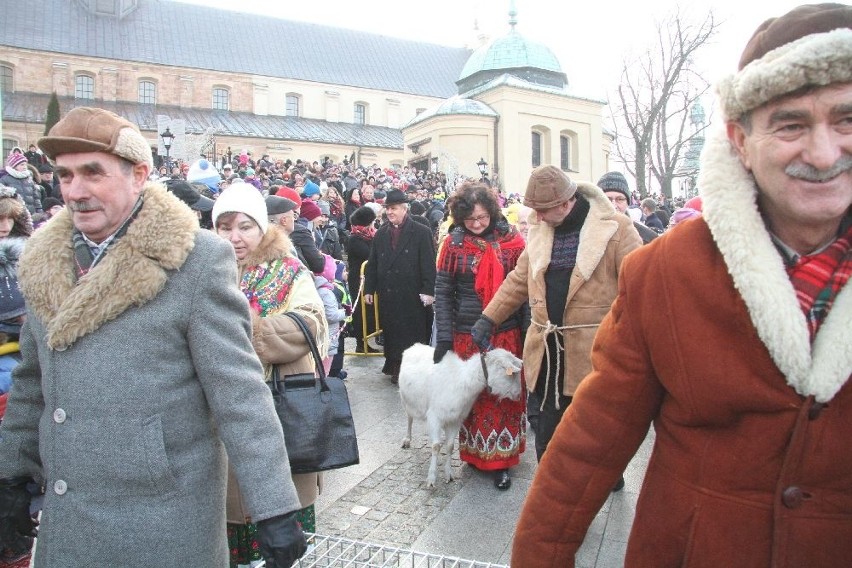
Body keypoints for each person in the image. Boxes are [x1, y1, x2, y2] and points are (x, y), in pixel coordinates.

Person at [511, 5, 852, 566]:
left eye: (846, 119)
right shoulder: (669, 273)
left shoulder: (622, 235)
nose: (822, 152)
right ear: (741, 140)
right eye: (791, 124)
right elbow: (593, 440)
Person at [0, 107, 307, 567]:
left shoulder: (196, 261)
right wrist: (10, 475)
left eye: (92, 173)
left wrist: (275, 507)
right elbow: (31, 384)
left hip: (163, 520)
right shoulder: (44, 261)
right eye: (64, 176)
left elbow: (238, 393)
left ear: (139, 174)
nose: (75, 191)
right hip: (71, 518)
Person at [470, 165, 641, 463]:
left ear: (564, 203)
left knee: (596, 430)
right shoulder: (541, 230)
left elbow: (639, 287)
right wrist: (489, 318)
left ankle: (607, 472)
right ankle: (549, 492)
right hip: (547, 352)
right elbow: (519, 280)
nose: (536, 217)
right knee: (547, 434)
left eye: (542, 210)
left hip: (594, 353)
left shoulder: (617, 228)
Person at [212, 182, 327, 567]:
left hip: (281, 414)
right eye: (224, 226)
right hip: (222, 422)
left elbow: (311, 324)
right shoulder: (204, 275)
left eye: (244, 226)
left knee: (281, 530)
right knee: (229, 529)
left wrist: (250, 331)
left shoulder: (289, 270)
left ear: (262, 227)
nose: (234, 237)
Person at [433, 181, 527, 490]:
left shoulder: (513, 242)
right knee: (474, 397)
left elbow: (524, 292)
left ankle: (503, 461)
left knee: (507, 395)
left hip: (507, 334)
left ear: (492, 212)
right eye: (469, 219)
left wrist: (527, 334)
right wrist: (444, 338)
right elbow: (444, 293)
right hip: (467, 335)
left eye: (482, 218)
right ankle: (475, 454)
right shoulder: (452, 244)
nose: (476, 225)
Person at [364, 189, 436, 384]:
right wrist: (369, 289)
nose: (389, 212)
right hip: (389, 294)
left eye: (393, 208)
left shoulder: (421, 232)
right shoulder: (381, 233)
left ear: (405, 209)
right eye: (388, 209)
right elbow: (373, 263)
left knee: (412, 333)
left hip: (412, 294)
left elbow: (429, 263)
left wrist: (429, 290)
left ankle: (413, 370)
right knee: (393, 333)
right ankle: (395, 367)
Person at [346, 205, 378, 353]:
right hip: (357, 280)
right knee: (360, 311)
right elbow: (369, 255)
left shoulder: (368, 235)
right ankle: (361, 342)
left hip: (367, 278)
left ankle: (368, 340)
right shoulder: (354, 238)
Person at [597, 171, 658, 244]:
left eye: (620, 199)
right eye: (607, 199)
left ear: (627, 203)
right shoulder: (584, 234)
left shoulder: (648, 238)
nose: (613, 206)